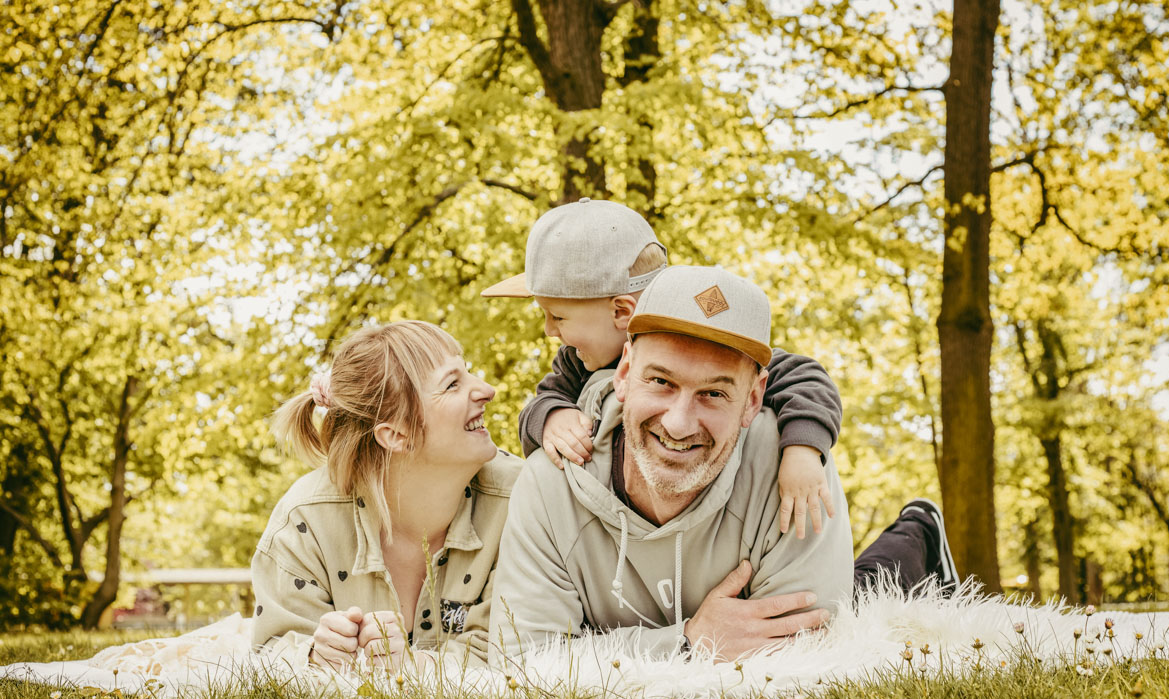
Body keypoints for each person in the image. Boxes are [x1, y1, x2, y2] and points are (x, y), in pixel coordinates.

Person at [488, 266, 958, 665]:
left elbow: (806, 656)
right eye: (661, 381)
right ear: (626, 372)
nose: (678, 423)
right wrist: (691, 642)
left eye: (713, 393)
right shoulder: (550, 482)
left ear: (753, 399)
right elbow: (524, 664)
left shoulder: (794, 470)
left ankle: (918, 534)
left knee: (866, 594)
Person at [482, 198, 842, 538]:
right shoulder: (576, 362)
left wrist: (803, 452)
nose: (549, 329)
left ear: (622, 312)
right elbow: (541, 402)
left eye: (558, 316)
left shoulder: (703, 346)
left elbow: (805, 377)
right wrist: (551, 415)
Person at [251, 321, 522, 671]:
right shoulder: (306, 520)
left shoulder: (518, 502)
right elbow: (270, 650)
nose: (487, 389)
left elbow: (518, 648)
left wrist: (416, 665)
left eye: (468, 374)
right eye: (453, 384)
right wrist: (315, 655)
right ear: (396, 434)